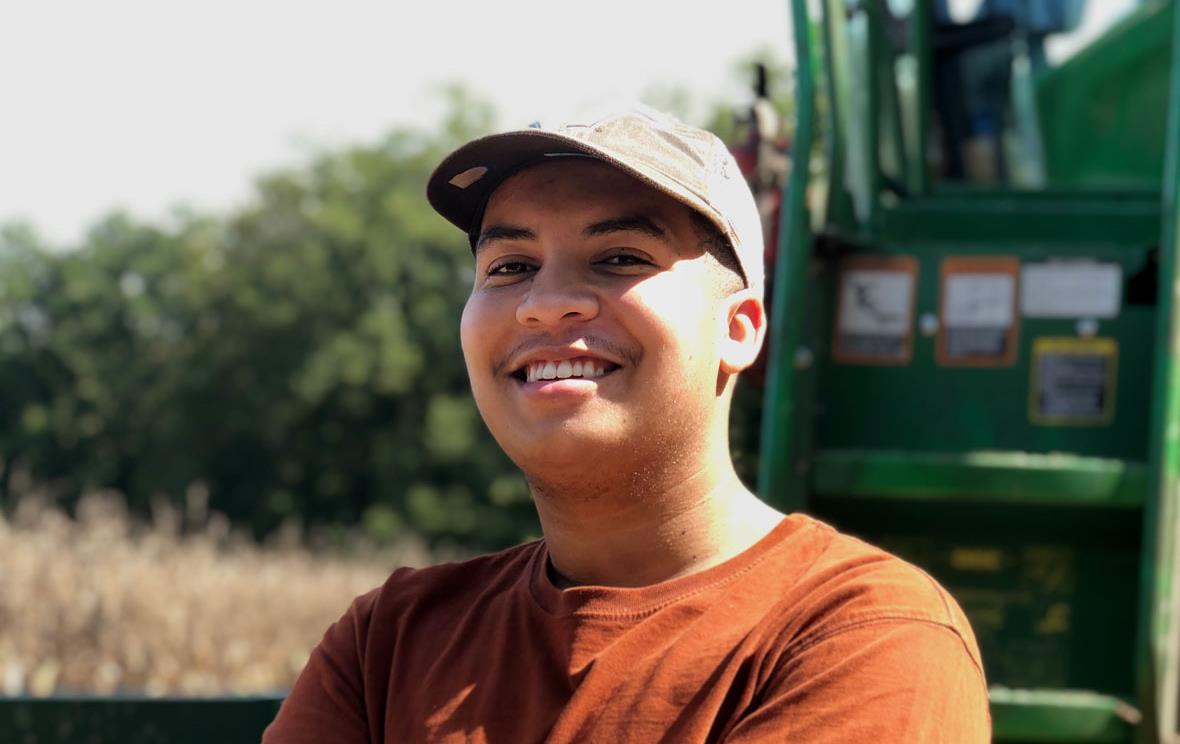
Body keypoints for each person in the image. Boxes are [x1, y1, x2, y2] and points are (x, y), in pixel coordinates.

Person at [263, 104, 990, 743]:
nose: (546, 304)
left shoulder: (858, 635)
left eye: (617, 258)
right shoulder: (388, 643)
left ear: (739, 329)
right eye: (510, 267)